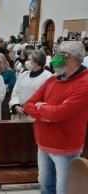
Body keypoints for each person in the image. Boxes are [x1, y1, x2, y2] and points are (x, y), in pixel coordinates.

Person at [24, 41, 88, 194]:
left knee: (63, 190)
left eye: (57, 53)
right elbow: (28, 104)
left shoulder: (84, 83)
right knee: (46, 187)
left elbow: (60, 113)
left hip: (65, 147)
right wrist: (46, 113)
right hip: (43, 142)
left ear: (68, 57)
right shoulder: (52, 79)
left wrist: (41, 107)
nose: (53, 57)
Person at [9, 50, 52, 120]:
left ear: (37, 62)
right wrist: (15, 105)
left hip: (34, 116)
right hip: (18, 113)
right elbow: (15, 93)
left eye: (29, 59)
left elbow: (47, 98)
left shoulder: (47, 76)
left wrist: (29, 108)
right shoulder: (23, 74)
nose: (26, 61)